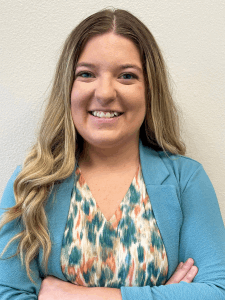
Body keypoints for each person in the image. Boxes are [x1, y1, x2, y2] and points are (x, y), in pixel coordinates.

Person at [0, 8, 225, 300]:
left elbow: (216, 291)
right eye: (86, 74)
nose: (105, 92)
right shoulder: (31, 185)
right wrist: (162, 295)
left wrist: (75, 296)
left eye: (127, 76)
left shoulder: (185, 180)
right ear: (67, 87)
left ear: (149, 90)